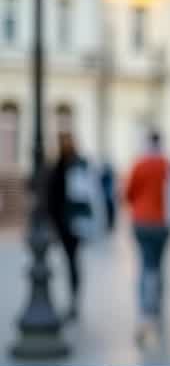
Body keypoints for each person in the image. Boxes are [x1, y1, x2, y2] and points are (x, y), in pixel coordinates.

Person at [125, 131, 170, 338]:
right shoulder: (168, 165)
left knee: (145, 265)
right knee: (159, 265)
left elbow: (129, 193)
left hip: (142, 222)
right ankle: (157, 307)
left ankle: (144, 312)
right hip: (163, 223)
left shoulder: (140, 164)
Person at [45, 132, 101, 320]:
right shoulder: (59, 164)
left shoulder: (77, 164)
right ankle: (71, 299)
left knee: (72, 261)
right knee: (69, 261)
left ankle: (74, 300)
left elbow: (83, 193)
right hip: (61, 220)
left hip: (72, 221)